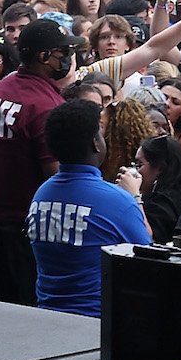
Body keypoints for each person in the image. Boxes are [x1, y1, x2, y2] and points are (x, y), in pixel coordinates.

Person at [0, 19, 73, 303]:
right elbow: (58, 180)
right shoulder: (46, 107)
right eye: (63, 54)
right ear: (43, 57)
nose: (68, 60)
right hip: (27, 235)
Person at [26, 97, 151, 316]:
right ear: (95, 142)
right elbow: (148, 256)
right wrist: (135, 196)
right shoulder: (118, 201)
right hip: (95, 321)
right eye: (101, 134)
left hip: (46, 315)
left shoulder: (41, 195)